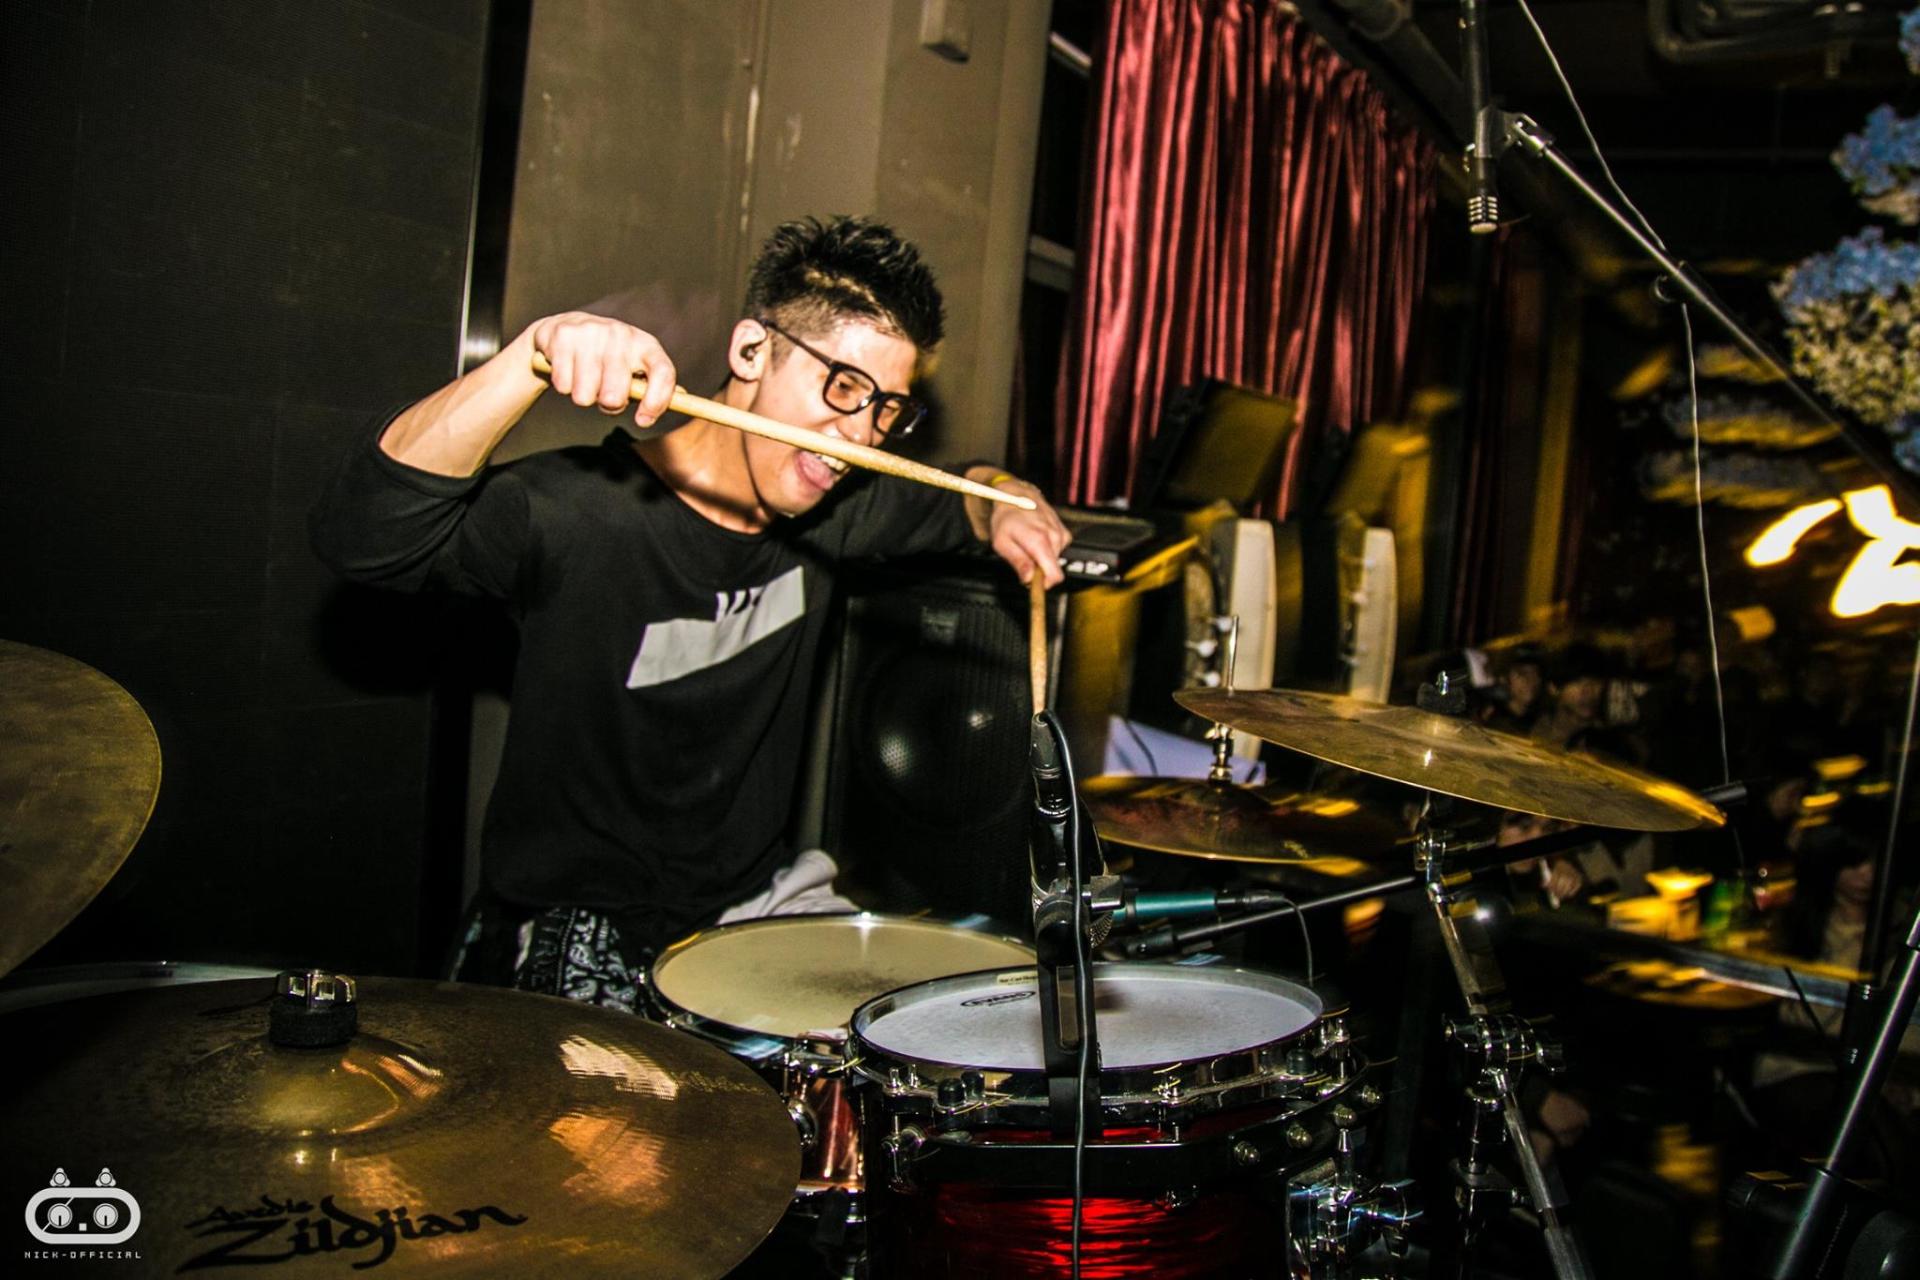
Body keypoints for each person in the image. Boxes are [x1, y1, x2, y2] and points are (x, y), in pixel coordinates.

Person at [311, 215, 1071, 1008]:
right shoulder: (582, 513)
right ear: (750, 351)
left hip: (752, 903)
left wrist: (1011, 502)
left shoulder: (833, 511)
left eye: (886, 408)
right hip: (578, 915)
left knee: (951, 1027)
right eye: (843, 386)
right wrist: (525, 361)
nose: (858, 437)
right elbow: (362, 535)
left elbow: (968, 499)